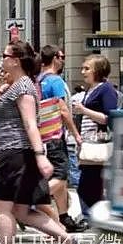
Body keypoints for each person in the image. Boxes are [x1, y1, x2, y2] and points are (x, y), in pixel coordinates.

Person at [0, 40, 83, 244]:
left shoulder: (23, 87)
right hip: (17, 154)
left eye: (5, 55)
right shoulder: (19, 85)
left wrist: (39, 155)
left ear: (15, 60)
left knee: (2, 208)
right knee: (22, 211)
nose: (1, 59)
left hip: (16, 154)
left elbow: (30, 123)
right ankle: (69, 240)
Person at [37, 45, 86, 233]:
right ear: (55, 58)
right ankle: (32, 201)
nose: (63, 60)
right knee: (61, 175)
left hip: (42, 137)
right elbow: (63, 110)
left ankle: (63, 218)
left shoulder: (38, 80)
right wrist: (76, 133)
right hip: (55, 136)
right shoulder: (55, 80)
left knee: (60, 180)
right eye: (62, 56)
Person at [72, 54, 115, 215]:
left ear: (98, 70)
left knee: (87, 187)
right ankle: (93, 219)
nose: (83, 72)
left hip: (98, 145)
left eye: (87, 68)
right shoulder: (91, 90)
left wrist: (84, 110)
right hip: (89, 145)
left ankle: (93, 219)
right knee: (88, 186)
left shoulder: (106, 89)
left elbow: (109, 117)